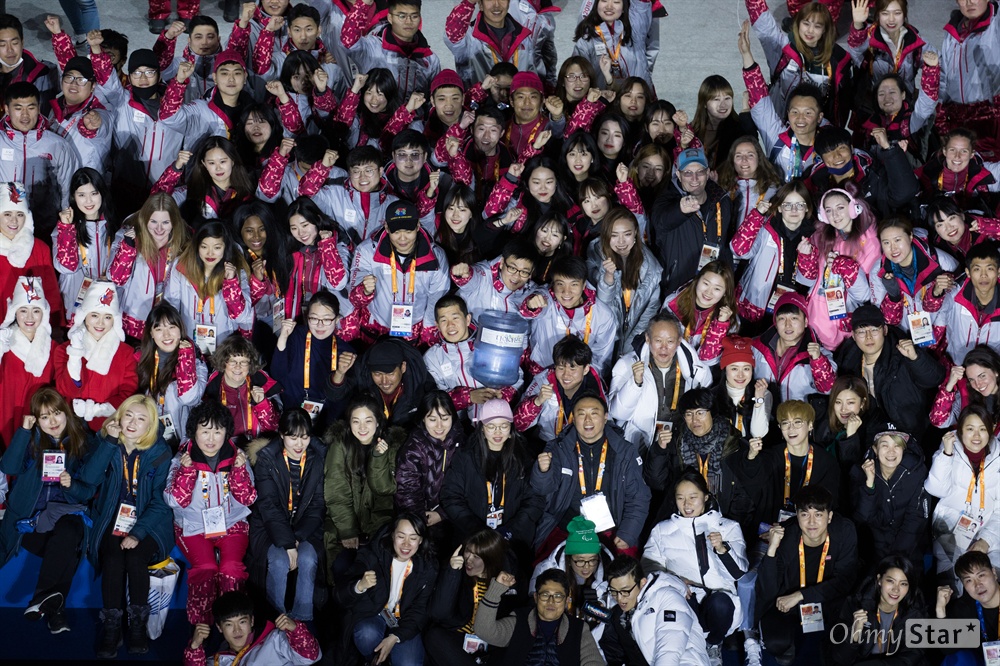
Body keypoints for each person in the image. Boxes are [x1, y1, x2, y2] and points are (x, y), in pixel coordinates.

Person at [75, 395, 174, 658]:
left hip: (151, 521)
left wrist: (138, 532)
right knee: (114, 557)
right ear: (120, 416)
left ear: (150, 425)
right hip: (112, 516)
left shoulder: (161, 451)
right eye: (129, 415)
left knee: (136, 556)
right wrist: (108, 442)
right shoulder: (105, 441)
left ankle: (138, 626)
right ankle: (112, 627)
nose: (133, 422)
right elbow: (89, 479)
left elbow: (162, 502)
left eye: (141, 418)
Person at [0, 388, 93, 634]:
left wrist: (71, 483)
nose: (52, 421)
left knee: (69, 532)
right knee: (67, 548)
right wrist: (23, 431)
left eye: (57, 413)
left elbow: (92, 486)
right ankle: (53, 609)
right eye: (44, 417)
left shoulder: (82, 440)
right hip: (31, 525)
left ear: (66, 413)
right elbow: (8, 466)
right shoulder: (31, 442)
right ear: (36, 420)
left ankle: (41, 600)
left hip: (67, 517)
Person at [165, 400, 257, 627]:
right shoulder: (180, 460)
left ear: (226, 433)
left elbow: (249, 499)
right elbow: (174, 500)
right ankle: (202, 626)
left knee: (231, 568)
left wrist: (238, 472)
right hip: (192, 526)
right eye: (205, 431)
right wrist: (187, 472)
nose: (211, 438)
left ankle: (234, 625)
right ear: (194, 432)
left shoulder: (237, 458)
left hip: (232, 524)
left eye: (217, 431)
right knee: (205, 568)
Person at [643, 472, 748, 663]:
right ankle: (687, 647)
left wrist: (723, 550)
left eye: (693, 498)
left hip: (718, 597)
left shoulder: (728, 527)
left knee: (721, 604)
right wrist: (676, 581)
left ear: (706, 497)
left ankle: (714, 644)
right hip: (684, 595)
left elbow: (739, 573)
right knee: (680, 601)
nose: (687, 504)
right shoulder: (662, 530)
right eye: (680, 498)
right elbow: (649, 567)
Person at [532, 391, 650, 557]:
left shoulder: (625, 451)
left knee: (626, 573)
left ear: (605, 417)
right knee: (547, 573)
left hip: (610, 527)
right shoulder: (557, 448)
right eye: (581, 414)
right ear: (573, 417)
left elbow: (638, 497)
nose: (588, 420)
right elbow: (542, 490)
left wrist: (627, 533)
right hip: (567, 526)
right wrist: (542, 472)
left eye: (594, 413)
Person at [756, 486, 859, 666]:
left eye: (818, 514)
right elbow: (768, 590)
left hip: (828, 601)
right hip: (791, 606)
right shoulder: (787, 535)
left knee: (842, 644)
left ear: (830, 516)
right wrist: (771, 550)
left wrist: (802, 595)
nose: (811, 522)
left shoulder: (844, 532)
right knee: (775, 642)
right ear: (796, 515)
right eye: (804, 514)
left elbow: (844, 581)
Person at [248, 409, 325, 622]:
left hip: (304, 529)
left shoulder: (317, 460)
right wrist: (288, 544)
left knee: (309, 558)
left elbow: (317, 505)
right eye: (293, 437)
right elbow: (268, 506)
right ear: (281, 435)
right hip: (268, 528)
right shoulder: (267, 460)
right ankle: (275, 620)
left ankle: (302, 621)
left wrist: (297, 538)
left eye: (304, 437)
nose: (299, 444)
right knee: (280, 561)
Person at [440, 399, 544, 557]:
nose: (498, 432)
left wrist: (510, 531)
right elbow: (451, 496)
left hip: (513, 541)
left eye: (503, 426)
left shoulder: (524, 457)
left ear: (511, 429)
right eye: (491, 426)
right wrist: (478, 530)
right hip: (472, 539)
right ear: (482, 428)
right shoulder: (465, 457)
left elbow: (534, 500)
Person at [323, 394, 406, 582]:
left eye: (368, 421)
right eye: (356, 421)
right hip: (343, 524)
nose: (362, 428)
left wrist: (378, 458)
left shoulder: (392, 446)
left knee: (377, 569)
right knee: (342, 568)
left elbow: (385, 489)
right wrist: (348, 531)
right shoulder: (341, 445)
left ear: (378, 422)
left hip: (379, 524)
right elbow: (336, 491)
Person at [834, 303, 945, 440]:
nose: (868, 337)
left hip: (913, 436)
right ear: (853, 335)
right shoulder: (848, 364)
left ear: (885, 330)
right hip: (874, 440)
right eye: (862, 331)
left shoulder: (902, 353)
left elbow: (935, 379)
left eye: (874, 330)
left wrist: (915, 358)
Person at [338, 513, 438, 666]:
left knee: (408, 663)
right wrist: (359, 586)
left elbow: (420, 610)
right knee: (366, 635)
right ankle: (372, 660)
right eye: (401, 536)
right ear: (392, 536)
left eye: (413, 538)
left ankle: (390, 653)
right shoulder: (374, 554)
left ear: (421, 540)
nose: (406, 544)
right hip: (375, 614)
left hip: (405, 621)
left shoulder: (428, 567)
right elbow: (340, 596)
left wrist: (394, 637)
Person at [608, 311, 713, 452]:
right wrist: (635, 383)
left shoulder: (698, 371)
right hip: (640, 438)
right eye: (658, 341)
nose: (664, 348)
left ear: (679, 341)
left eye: (670, 341)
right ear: (647, 338)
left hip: (682, 438)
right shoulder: (627, 365)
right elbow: (617, 413)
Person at [350, 199, 450, 345]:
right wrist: (364, 291)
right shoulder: (366, 251)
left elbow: (437, 297)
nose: (402, 238)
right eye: (396, 232)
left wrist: (428, 333)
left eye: (408, 231)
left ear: (417, 226)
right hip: (376, 327)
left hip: (415, 328)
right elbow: (354, 299)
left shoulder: (436, 256)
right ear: (386, 227)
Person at [796, 187, 880, 350]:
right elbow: (807, 280)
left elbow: (866, 295)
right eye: (829, 210)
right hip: (814, 319)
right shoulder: (820, 236)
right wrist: (805, 257)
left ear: (853, 208)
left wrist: (844, 266)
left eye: (840, 208)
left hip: (844, 328)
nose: (835, 215)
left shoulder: (870, 243)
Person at [924, 405, 999, 586]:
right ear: (960, 431)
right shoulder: (949, 448)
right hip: (949, 526)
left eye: (982, 429)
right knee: (955, 577)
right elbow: (936, 489)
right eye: (970, 429)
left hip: (989, 527)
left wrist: (985, 541)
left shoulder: (998, 456)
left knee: (993, 576)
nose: (976, 436)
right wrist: (946, 454)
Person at [733, 400, 840, 524]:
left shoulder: (826, 462)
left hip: (809, 528)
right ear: (780, 428)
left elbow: (830, 503)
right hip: (771, 528)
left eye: (797, 422)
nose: (791, 428)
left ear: (810, 425)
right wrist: (751, 456)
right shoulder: (770, 456)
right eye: (785, 423)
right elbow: (751, 485)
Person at [473, 567, 605, 665]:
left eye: (558, 596)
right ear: (536, 597)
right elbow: (484, 631)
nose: (551, 602)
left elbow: (593, 661)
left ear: (566, 601)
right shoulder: (519, 621)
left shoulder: (579, 629)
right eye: (545, 595)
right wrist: (496, 590)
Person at [54, 281, 138, 432]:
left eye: (107, 317)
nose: (100, 323)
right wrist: (75, 354)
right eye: (94, 315)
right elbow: (66, 391)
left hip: (110, 426)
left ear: (115, 320)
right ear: (84, 316)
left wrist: (98, 410)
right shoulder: (64, 350)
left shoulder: (126, 353)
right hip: (72, 426)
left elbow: (128, 393)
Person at [651, 148, 735, 295]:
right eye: (688, 173)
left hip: (712, 288)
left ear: (708, 173)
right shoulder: (666, 198)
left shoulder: (722, 200)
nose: (694, 178)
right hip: (679, 287)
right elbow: (660, 223)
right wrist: (680, 210)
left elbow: (725, 243)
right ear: (678, 175)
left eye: (700, 172)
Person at [599, 555, 711, 666]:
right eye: (613, 591)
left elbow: (669, 651)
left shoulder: (667, 597)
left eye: (625, 591)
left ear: (642, 583)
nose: (619, 598)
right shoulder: (620, 614)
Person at [424, 294, 520, 423]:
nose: (450, 325)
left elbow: (517, 377)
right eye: (443, 320)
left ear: (467, 319)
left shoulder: (490, 343)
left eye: (455, 318)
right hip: (457, 428)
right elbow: (434, 398)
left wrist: (503, 395)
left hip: (495, 425)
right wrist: (468, 397)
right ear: (437, 325)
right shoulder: (432, 357)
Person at [730, 181, 815, 325]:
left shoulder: (814, 236)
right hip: (755, 305)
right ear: (780, 207)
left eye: (800, 205)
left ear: (806, 208)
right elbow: (739, 251)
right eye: (788, 205)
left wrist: (806, 257)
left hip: (790, 313)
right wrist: (756, 216)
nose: (794, 210)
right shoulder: (766, 228)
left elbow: (808, 280)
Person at [163, 221, 253, 358]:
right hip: (189, 343)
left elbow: (243, 317)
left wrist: (231, 283)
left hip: (225, 345)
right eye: (204, 247)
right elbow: (171, 306)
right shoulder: (181, 267)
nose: (210, 253)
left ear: (225, 247)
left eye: (217, 247)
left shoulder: (237, 271)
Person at [107, 193, 191, 339]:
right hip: (133, 323)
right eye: (153, 222)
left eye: (165, 222)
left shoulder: (183, 246)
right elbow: (116, 278)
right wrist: (128, 249)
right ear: (145, 219)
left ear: (174, 222)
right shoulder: (129, 239)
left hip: (166, 327)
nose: (159, 228)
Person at [271, 290, 357, 431]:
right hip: (293, 419)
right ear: (307, 317)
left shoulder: (346, 353)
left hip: (328, 423)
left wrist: (340, 374)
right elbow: (277, 374)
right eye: (314, 318)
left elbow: (341, 400)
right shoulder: (296, 337)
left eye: (327, 319)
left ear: (336, 319)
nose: (320, 325)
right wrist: (283, 338)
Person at [426, 529, 512, 666]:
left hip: (489, 643)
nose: (468, 560)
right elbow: (438, 613)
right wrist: (451, 574)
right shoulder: (455, 572)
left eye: (476, 557)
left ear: (491, 558)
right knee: (434, 636)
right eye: (467, 551)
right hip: (457, 638)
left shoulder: (505, 581)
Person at [0, 82, 79, 232]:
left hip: (44, 226)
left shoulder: (56, 144)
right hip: (4, 226)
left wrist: (65, 223)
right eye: (18, 108)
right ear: (6, 109)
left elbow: (68, 186)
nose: (25, 115)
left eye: (31, 108)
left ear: (39, 107)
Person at [520, 255, 618, 375]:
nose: (566, 291)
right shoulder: (546, 300)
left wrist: (581, 379)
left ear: (583, 285)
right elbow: (528, 308)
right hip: (542, 375)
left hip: (580, 380)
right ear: (553, 284)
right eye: (560, 284)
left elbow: (601, 359)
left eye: (574, 284)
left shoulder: (603, 315)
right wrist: (531, 304)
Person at [587, 205, 663, 358]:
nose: (621, 241)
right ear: (606, 234)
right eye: (614, 235)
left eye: (627, 234)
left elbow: (649, 312)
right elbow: (601, 308)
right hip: (600, 338)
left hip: (633, 340)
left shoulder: (652, 269)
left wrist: (629, 348)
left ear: (636, 232)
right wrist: (608, 278)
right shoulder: (595, 256)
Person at [135, 302, 208, 449]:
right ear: (151, 333)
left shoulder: (195, 359)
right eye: (159, 329)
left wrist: (185, 357)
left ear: (180, 329)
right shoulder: (139, 359)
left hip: (185, 443)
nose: (166, 335)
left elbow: (189, 398)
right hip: (149, 440)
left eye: (171, 327)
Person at [850, 430, 929, 565]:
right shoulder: (862, 472)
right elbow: (864, 518)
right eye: (885, 445)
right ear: (875, 449)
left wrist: (896, 560)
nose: (891, 452)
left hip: (909, 549)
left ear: (904, 449)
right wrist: (869, 484)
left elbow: (915, 518)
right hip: (874, 549)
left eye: (897, 446)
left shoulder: (917, 471)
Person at [832, 555, 927, 665]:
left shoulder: (915, 612)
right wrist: (855, 634)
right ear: (879, 580)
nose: (896, 589)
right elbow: (840, 658)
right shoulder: (855, 604)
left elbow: (914, 655)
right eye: (891, 581)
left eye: (903, 584)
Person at [183, 591, 321, 666]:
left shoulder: (275, 641)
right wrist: (194, 648)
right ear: (219, 628)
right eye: (229, 624)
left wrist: (296, 630)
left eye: (242, 622)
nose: (237, 630)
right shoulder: (218, 660)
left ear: (252, 621)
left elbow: (310, 658)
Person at [325, 336, 437, 428]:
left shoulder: (420, 381)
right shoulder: (363, 372)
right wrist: (340, 372)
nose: (384, 381)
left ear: (403, 367)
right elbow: (334, 395)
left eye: (390, 374)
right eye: (377, 374)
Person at [52, 168, 119, 318]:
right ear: (73, 197)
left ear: (102, 193)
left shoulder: (114, 227)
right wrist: (67, 229)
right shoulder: (64, 228)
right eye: (81, 195)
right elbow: (65, 267)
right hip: (75, 301)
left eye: (94, 193)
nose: (88, 201)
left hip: (106, 303)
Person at [515, 335, 607, 443]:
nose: (566, 375)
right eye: (561, 368)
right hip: (548, 444)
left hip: (581, 448)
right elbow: (518, 424)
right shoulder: (543, 381)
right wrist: (536, 402)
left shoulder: (595, 385)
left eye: (573, 368)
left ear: (585, 369)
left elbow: (605, 426)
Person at [750, 291, 837, 402]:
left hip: (800, 418)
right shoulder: (757, 348)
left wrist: (818, 361)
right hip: (762, 415)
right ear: (775, 322)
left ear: (805, 322)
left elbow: (828, 389)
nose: (788, 325)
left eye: (794, 318)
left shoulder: (821, 355)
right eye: (782, 318)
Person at [0, 276, 56, 446]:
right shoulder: (4, 343)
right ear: (14, 312)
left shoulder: (54, 348)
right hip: (6, 418)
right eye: (23, 310)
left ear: (44, 313)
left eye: (36, 310)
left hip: (42, 422)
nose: (29, 317)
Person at [0, 181, 63, 328]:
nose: (14, 220)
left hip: (30, 327)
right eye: (7, 214)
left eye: (20, 214)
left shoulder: (39, 248)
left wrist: (54, 326)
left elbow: (50, 291)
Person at [203, 334, 282, 448]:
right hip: (224, 450)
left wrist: (262, 404)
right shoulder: (209, 390)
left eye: (243, 362)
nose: (238, 367)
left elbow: (273, 429)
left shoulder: (262, 383)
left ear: (250, 364)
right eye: (232, 361)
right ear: (223, 362)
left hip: (256, 450)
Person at [933, 241, 1000, 365]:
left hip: (993, 377)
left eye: (990, 268)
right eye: (977, 269)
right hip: (958, 370)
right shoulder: (953, 296)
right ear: (968, 272)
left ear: (999, 272)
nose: (983, 275)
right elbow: (934, 316)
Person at [935, 551, 1000, 663]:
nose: (977, 584)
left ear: (994, 573)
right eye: (969, 580)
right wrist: (940, 610)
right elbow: (947, 649)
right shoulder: (965, 607)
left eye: (981, 575)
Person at [451, 239, 537, 322]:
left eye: (524, 272)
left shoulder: (532, 292)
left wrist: (531, 307)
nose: (516, 276)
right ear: (502, 262)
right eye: (512, 268)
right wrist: (462, 274)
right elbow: (471, 279)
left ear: (531, 272)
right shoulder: (484, 274)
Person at [930, 344, 1000, 432]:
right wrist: (949, 386)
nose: (978, 384)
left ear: (996, 371)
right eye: (972, 379)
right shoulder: (966, 396)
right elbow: (938, 421)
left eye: (982, 376)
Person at [715, 336, 771, 440]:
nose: (740, 375)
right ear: (724, 369)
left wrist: (759, 401)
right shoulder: (712, 395)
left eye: (746, 368)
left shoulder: (763, 393)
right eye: (734, 369)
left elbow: (758, 434)